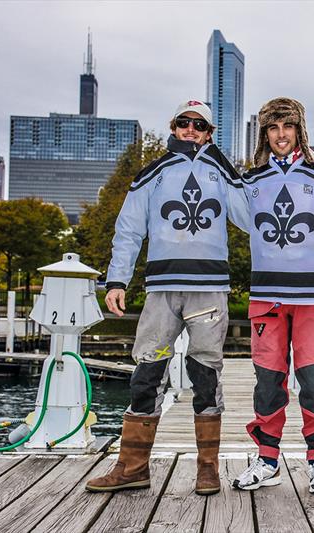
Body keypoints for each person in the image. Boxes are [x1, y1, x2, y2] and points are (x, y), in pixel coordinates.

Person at [86, 100, 249, 496]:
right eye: (183, 122)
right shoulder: (152, 173)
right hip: (161, 288)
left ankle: (207, 468)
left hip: (209, 288)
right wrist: (117, 280)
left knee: (205, 374)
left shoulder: (221, 171)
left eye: (200, 125)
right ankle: (132, 466)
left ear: (210, 132)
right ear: (173, 127)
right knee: (147, 371)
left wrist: (226, 166)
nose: (191, 129)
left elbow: (247, 218)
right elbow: (128, 229)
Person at [231, 97, 314, 494]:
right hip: (267, 296)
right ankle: (266, 459)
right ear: (265, 133)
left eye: (287, 127)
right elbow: (246, 222)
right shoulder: (251, 180)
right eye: (273, 128)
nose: (281, 135)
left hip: (313, 297)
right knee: (268, 382)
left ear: (299, 130)